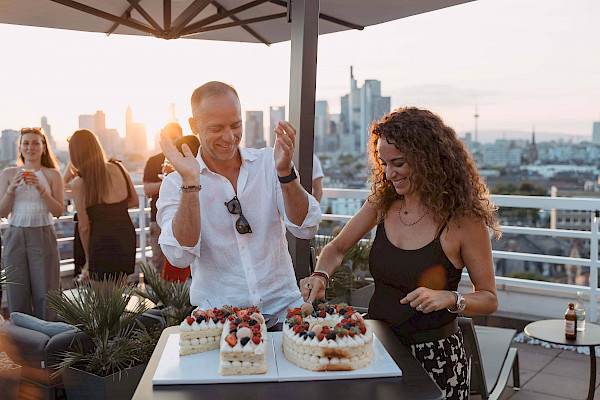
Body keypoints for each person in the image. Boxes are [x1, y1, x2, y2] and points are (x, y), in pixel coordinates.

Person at [300, 107, 499, 399]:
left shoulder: (464, 221)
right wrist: (320, 274)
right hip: (378, 346)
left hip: (436, 359)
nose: (389, 174)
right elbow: (337, 247)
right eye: (384, 164)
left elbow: (489, 299)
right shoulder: (382, 203)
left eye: (399, 163)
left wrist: (450, 298)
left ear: (428, 159)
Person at [157, 81, 322, 317]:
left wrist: (286, 174)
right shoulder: (176, 183)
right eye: (216, 128)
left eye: (236, 125)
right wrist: (191, 184)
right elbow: (180, 257)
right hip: (219, 320)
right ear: (194, 125)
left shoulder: (269, 163)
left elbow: (306, 227)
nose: (229, 137)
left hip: (285, 313)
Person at [0, 127, 64, 320]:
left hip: (43, 233)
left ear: (44, 147)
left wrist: (41, 189)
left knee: (46, 292)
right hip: (15, 234)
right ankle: (22, 344)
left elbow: (59, 211)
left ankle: (47, 342)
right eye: (26, 143)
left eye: (36, 143)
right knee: (16, 291)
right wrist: (11, 189)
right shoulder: (9, 173)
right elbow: (2, 212)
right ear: (20, 147)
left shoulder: (53, 175)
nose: (31, 147)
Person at [68, 129, 139, 280]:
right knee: (118, 298)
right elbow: (134, 201)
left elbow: (84, 227)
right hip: (125, 236)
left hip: (101, 243)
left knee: (102, 301)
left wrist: (88, 260)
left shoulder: (79, 183)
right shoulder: (118, 166)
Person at [143, 123, 184, 276]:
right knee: (159, 261)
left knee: (184, 263)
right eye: (169, 137)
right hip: (159, 217)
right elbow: (147, 189)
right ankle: (160, 298)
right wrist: (170, 181)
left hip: (185, 216)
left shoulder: (187, 158)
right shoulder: (154, 161)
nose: (172, 141)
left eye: (175, 137)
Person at [161, 135, 200, 283]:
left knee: (175, 276)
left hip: (183, 235)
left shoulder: (173, 179)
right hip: (182, 237)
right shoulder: (173, 181)